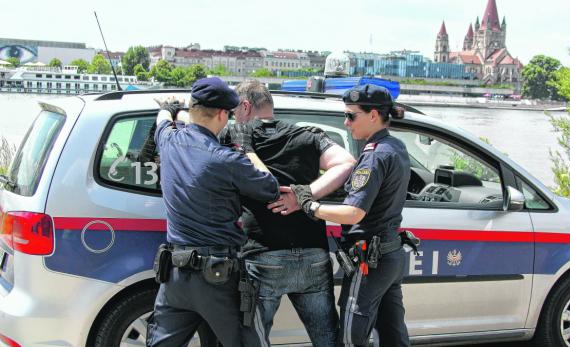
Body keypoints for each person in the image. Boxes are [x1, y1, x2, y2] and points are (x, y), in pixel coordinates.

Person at [271, 84, 411, 346]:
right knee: (393, 335)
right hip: (389, 256)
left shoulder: (374, 156)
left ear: (373, 115)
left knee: (349, 338)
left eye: (350, 116)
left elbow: (353, 213)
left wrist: (309, 206)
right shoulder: (396, 147)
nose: (346, 123)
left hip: (370, 261)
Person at [221, 80, 356, 347]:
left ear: (245, 106)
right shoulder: (307, 135)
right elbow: (347, 162)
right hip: (314, 255)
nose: (234, 118)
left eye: (235, 111)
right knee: (328, 339)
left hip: (262, 255)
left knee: (254, 339)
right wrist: (305, 194)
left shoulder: (236, 138)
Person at [146, 77, 279, 347]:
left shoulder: (169, 141)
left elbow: (162, 117)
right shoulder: (226, 159)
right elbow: (271, 188)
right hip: (217, 279)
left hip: (175, 276)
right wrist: (247, 150)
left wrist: (172, 108)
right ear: (221, 114)